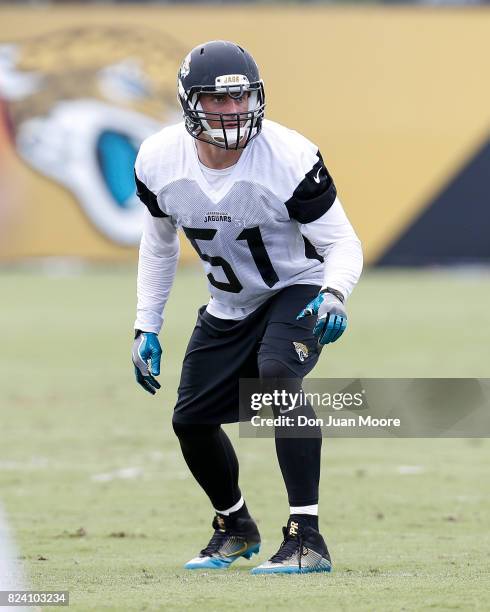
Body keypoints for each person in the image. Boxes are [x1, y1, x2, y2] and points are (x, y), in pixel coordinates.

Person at [132, 40, 363, 574]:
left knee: (277, 372)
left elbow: (342, 242)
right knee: (190, 420)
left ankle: (307, 538)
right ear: (191, 103)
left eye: (242, 99)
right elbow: (159, 243)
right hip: (230, 301)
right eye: (218, 100)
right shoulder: (157, 158)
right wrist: (146, 323)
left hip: (297, 285)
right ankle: (234, 526)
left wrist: (335, 293)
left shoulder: (289, 156)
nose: (234, 111)